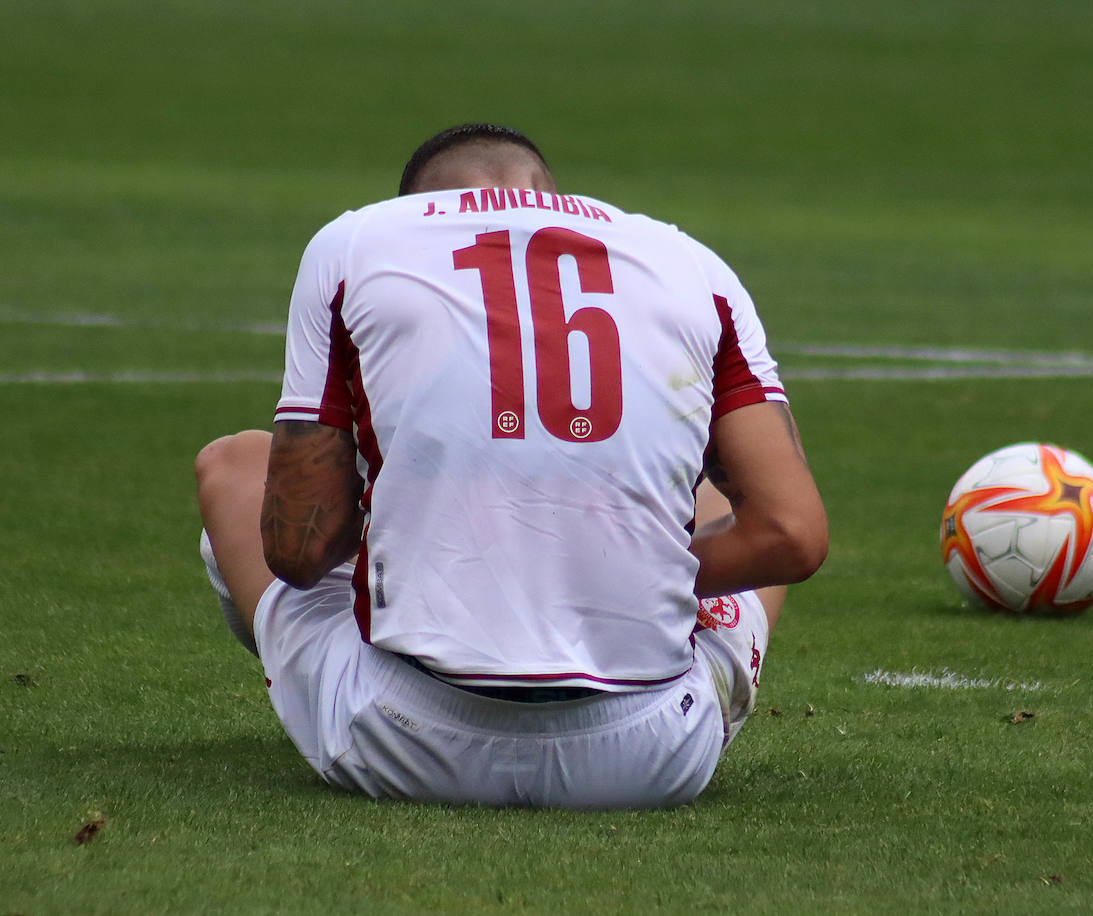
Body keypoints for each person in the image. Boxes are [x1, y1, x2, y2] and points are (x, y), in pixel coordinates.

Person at [194, 123, 827, 809]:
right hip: (649, 756)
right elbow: (792, 534)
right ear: (547, 190)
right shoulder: (691, 263)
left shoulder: (357, 242)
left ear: (413, 205)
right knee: (709, 500)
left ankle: (328, 673)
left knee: (233, 466)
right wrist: (624, 565)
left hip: (405, 741)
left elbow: (297, 549)